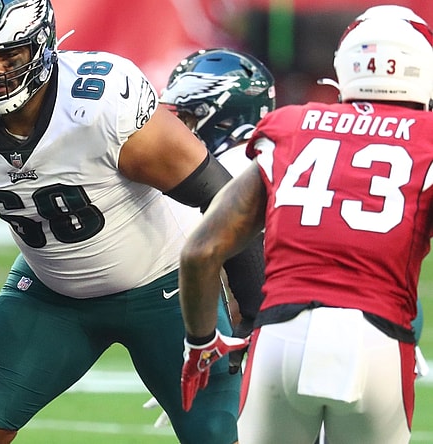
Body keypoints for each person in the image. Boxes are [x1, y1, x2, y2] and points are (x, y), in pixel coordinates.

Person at [0, 0, 264, 442]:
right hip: (53, 295)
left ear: (42, 46)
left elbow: (226, 201)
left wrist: (252, 317)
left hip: (165, 292)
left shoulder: (102, 105)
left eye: (9, 55)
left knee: (215, 433)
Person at [177, 5, 433, 444]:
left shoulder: (293, 124)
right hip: (377, 339)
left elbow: (201, 251)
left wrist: (201, 342)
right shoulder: (426, 136)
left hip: (280, 337)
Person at [143, 46, 275, 427]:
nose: (175, 130)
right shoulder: (282, 153)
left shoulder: (228, 173)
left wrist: (202, 351)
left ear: (221, 116)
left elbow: (234, 271)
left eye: (186, 116)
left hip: (281, 329)